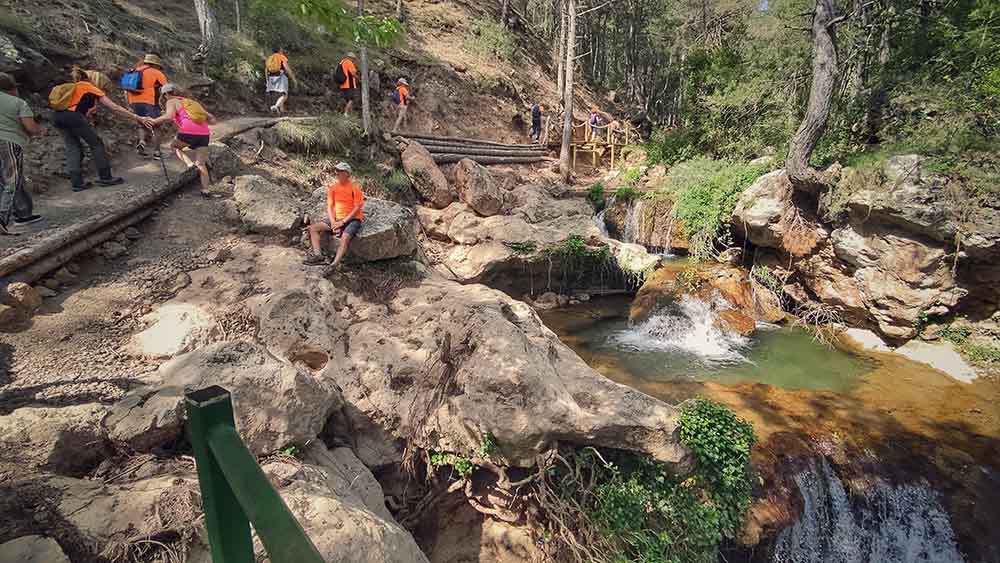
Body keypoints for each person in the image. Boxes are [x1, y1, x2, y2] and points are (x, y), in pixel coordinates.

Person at [53, 66, 141, 192]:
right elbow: (114, 108)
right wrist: (136, 117)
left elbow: (80, 108)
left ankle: (77, 183)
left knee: (73, 146)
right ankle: (105, 177)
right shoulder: (89, 87)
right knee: (96, 144)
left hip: (57, 117)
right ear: (96, 80)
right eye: (103, 85)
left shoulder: (74, 87)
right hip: (73, 117)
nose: (103, 88)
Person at [141, 84, 215, 197]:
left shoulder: (171, 101)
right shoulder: (190, 102)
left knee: (174, 146)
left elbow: (169, 116)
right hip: (204, 133)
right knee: (201, 163)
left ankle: (190, 164)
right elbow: (210, 117)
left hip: (189, 131)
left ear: (166, 94)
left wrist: (154, 121)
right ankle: (206, 190)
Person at [0, 73, 44, 235]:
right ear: (11, 88)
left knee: (3, 181)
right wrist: (40, 130)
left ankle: (23, 214)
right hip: (8, 143)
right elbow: (31, 127)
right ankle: (3, 218)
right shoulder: (18, 102)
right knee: (13, 179)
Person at [304, 161, 364, 268]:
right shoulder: (333, 188)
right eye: (336, 171)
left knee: (345, 238)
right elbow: (330, 207)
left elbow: (357, 208)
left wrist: (342, 222)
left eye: (340, 171)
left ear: (347, 173)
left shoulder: (354, 188)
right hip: (336, 219)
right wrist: (333, 223)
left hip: (353, 219)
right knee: (313, 228)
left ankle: (334, 264)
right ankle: (318, 256)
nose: (337, 173)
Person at [125, 53, 168, 157]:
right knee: (157, 126)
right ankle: (157, 152)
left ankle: (142, 143)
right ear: (155, 64)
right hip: (149, 103)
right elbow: (166, 89)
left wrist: (129, 105)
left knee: (142, 125)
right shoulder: (156, 72)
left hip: (133, 103)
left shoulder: (135, 71)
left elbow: (126, 90)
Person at [265, 47, 295, 113]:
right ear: (279, 51)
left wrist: (267, 80)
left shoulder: (270, 58)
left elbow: (266, 70)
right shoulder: (281, 57)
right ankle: (276, 106)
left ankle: (281, 111)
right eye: (282, 50)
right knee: (284, 95)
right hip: (280, 77)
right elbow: (287, 68)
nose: (282, 51)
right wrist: (293, 78)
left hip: (271, 77)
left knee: (278, 95)